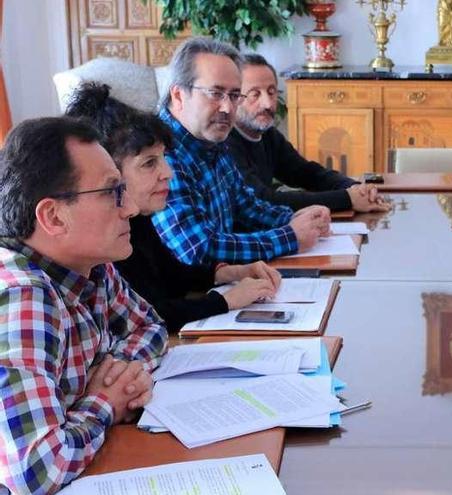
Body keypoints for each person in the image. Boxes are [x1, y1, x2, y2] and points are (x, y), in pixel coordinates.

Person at [0, 117, 167, 494]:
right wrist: (104, 401)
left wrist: (118, 370)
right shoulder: (23, 297)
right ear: (54, 216)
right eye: (112, 193)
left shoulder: (91, 266)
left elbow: (151, 328)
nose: (130, 210)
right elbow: (36, 472)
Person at [66, 83, 282, 332]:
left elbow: (170, 273)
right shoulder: (100, 241)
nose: (167, 173)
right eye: (149, 163)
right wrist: (224, 301)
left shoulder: (137, 216)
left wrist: (229, 273)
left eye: (164, 159)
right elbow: (145, 313)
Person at [151, 37, 331, 266]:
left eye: (235, 96)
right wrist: (291, 236)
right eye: (215, 93)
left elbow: (246, 206)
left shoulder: (211, 137)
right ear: (178, 95)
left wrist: (296, 219)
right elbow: (199, 248)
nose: (227, 108)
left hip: (229, 282)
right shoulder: (160, 153)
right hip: (186, 294)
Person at [228, 54, 390, 213]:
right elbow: (263, 200)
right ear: (235, 97)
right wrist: (346, 198)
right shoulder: (226, 143)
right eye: (255, 94)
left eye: (271, 92)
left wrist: (355, 188)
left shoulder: (268, 135)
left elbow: (306, 173)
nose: (267, 103)